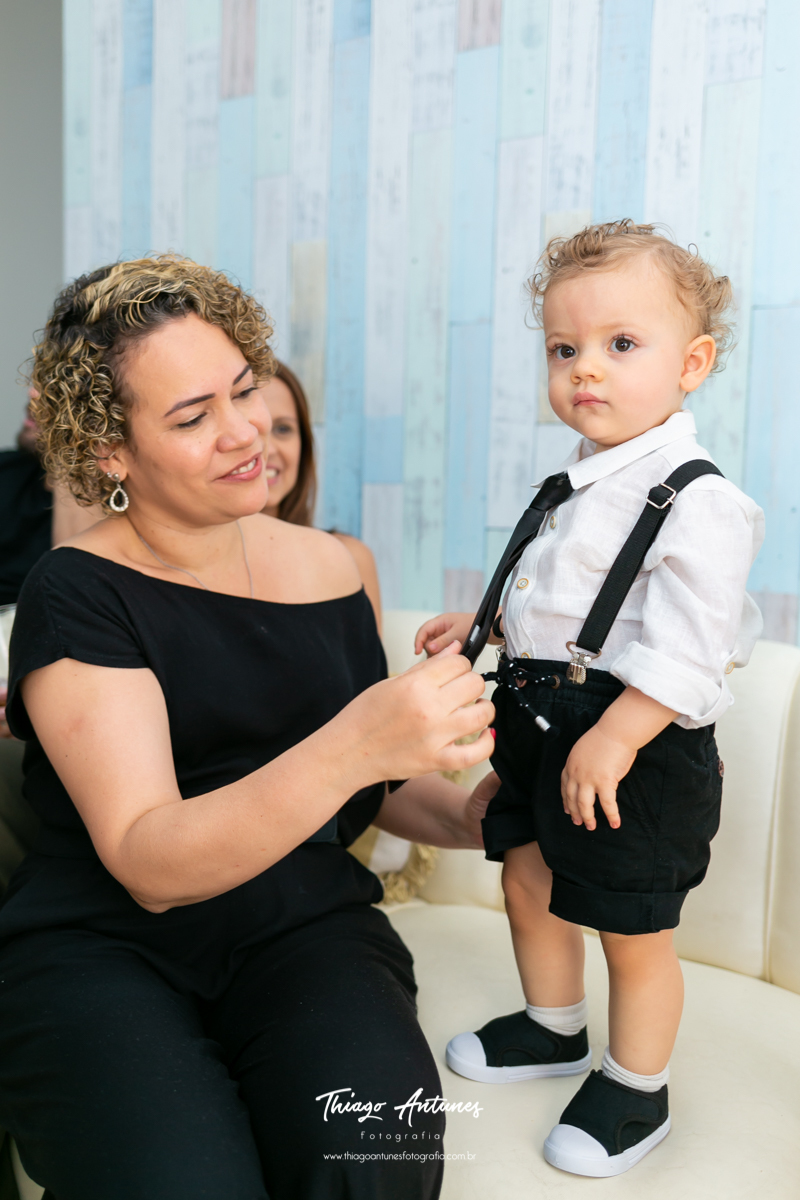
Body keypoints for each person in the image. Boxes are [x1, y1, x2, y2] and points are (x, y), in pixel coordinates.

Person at [0, 255, 498, 1200]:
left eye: (244, 392)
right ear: (111, 449)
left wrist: (487, 808)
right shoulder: (75, 594)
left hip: (307, 929)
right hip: (103, 943)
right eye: (192, 418)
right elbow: (148, 862)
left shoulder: (330, 567)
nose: (246, 435)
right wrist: (360, 738)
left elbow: (380, 788)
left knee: (375, 1170)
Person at [415, 221, 763, 1177]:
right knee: (528, 879)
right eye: (564, 350)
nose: (585, 371)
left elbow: (691, 652)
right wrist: (481, 625)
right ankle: (551, 1024)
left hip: (633, 744)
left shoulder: (696, 498)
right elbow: (561, 597)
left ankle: (635, 1086)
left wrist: (615, 736)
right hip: (540, 722)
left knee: (631, 926)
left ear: (691, 363)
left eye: (621, 345)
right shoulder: (579, 484)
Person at [262, 361, 382, 630]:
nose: (268, 449)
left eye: (283, 429)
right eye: (250, 428)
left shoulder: (349, 557)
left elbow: (373, 671)